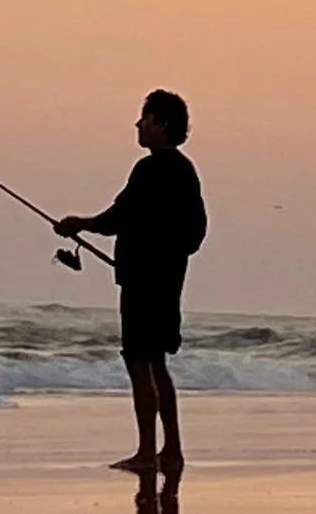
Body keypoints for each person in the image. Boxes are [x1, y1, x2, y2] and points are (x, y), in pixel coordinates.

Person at [56, 91, 207, 483]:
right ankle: (171, 449)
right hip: (168, 282)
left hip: (145, 283)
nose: (138, 125)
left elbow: (116, 218)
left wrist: (79, 224)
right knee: (157, 362)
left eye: (144, 118)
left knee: (139, 362)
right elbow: (195, 233)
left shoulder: (151, 169)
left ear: (160, 124)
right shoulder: (186, 172)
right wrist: (166, 256)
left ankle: (146, 452)